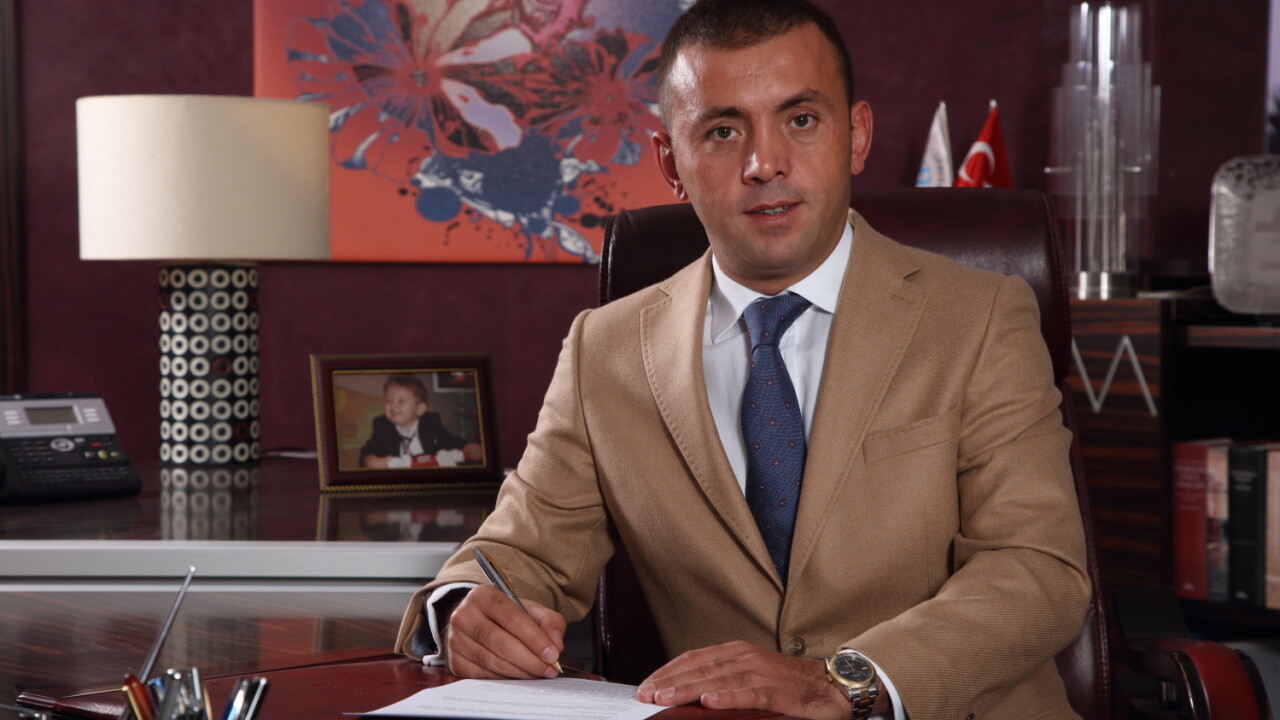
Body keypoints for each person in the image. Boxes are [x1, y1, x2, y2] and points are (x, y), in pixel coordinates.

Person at [395, 0, 1091, 718]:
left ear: (856, 136)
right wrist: (466, 610)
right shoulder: (604, 351)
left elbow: (1039, 568)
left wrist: (840, 682)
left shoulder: (980, 317)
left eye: (801, 120)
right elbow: (518, 554)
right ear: (671, 162)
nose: (764, 165)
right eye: (723, 131)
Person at [360, 374, 480, 468]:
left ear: (419, 409)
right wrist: (370, 460)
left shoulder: (430, 421)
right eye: (389, 400)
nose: (393, 406)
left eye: (401, 401)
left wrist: (468, 445)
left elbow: (449, 441)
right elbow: (369, 449)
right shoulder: (382, 425)